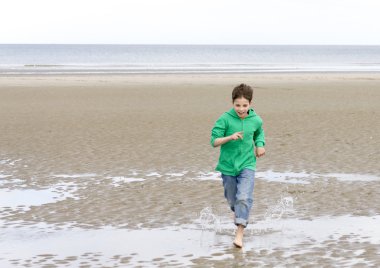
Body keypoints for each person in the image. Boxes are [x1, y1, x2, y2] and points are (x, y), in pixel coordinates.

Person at [210, 83, 265, 248]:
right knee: (232, 200)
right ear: (232, 103)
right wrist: (230, 137)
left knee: (243, 197)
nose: (241, 109)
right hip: (228, 167)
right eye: (237, 105)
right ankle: (241, 214)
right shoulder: (225, 119)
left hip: (247, 164)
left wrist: (260, 145)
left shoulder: (256, 120)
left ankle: (239, 234)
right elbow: (214, 141)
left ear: (250, 104)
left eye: (245, 105)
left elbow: (259, 132)